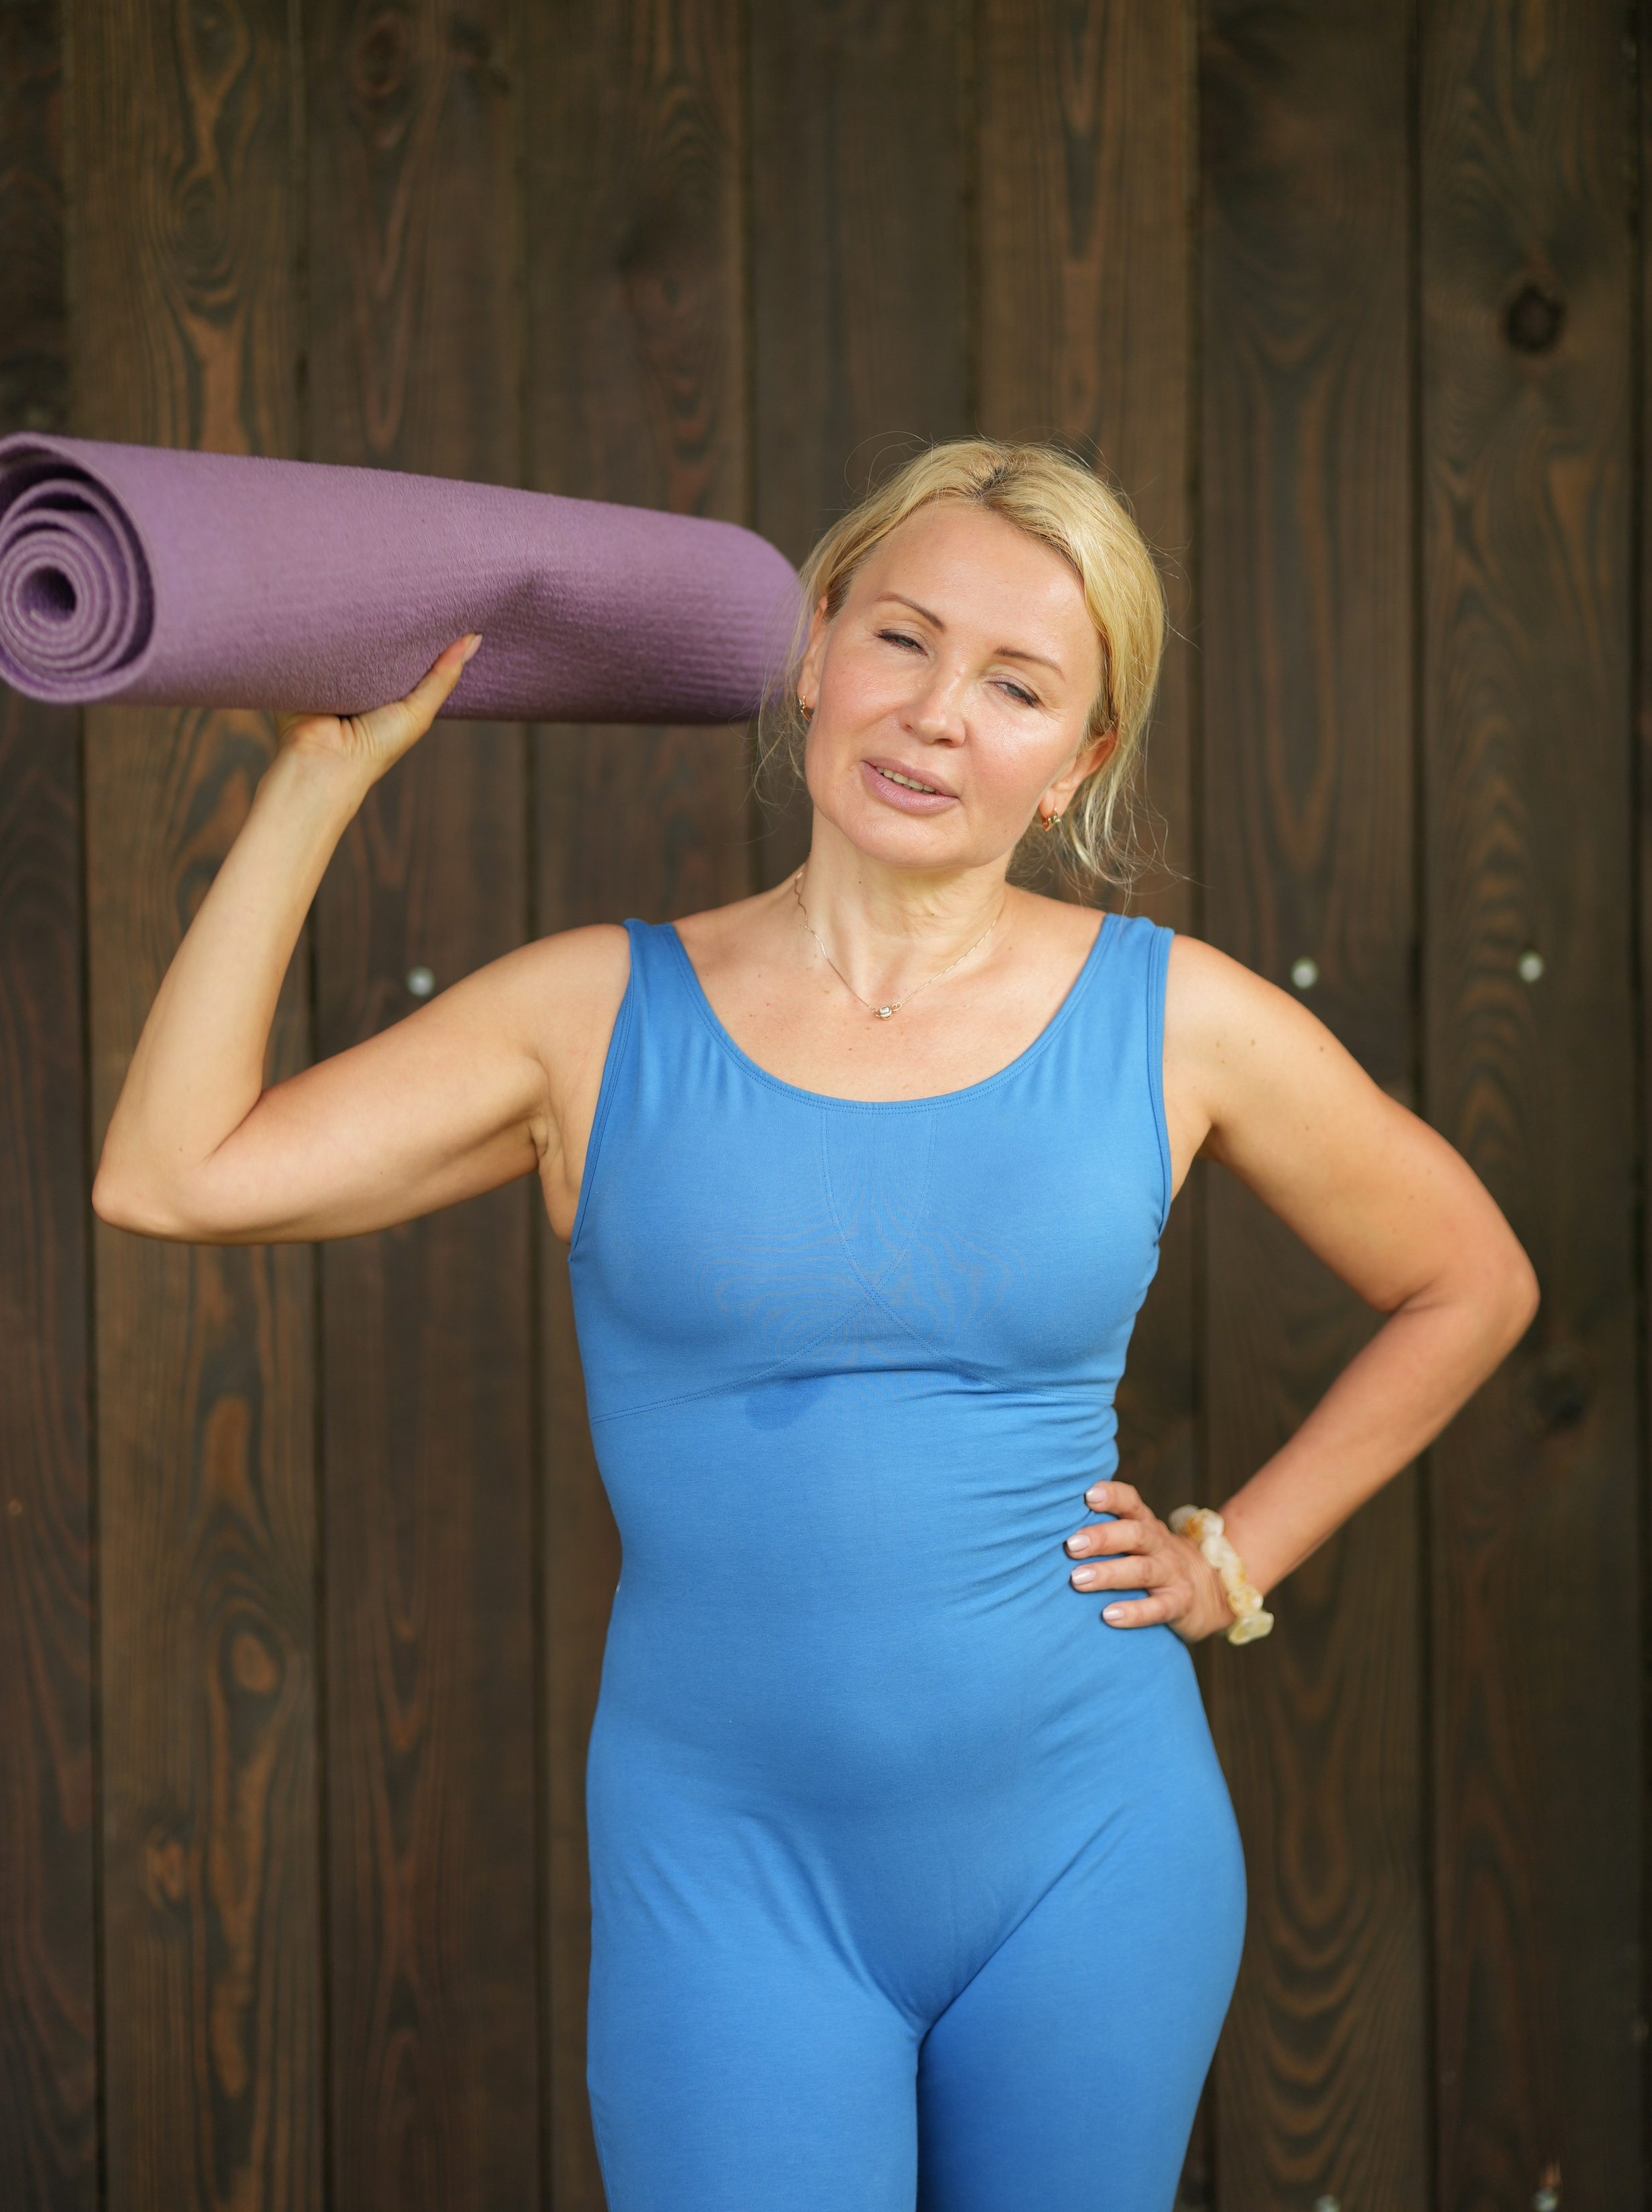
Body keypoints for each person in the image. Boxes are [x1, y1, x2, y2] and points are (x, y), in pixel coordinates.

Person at [92, 438, 1537, 2212]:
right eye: (903, 640)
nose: (938, 714)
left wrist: (1235, 1560)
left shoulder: (1182, 1024)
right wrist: (317, 784)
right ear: (813, 650)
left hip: (1093, 1848)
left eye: (1017, 685)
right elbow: (173, 1174)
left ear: (1080, 759)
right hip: (729, 1865)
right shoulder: (590, 1017)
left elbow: (1471, 1278)